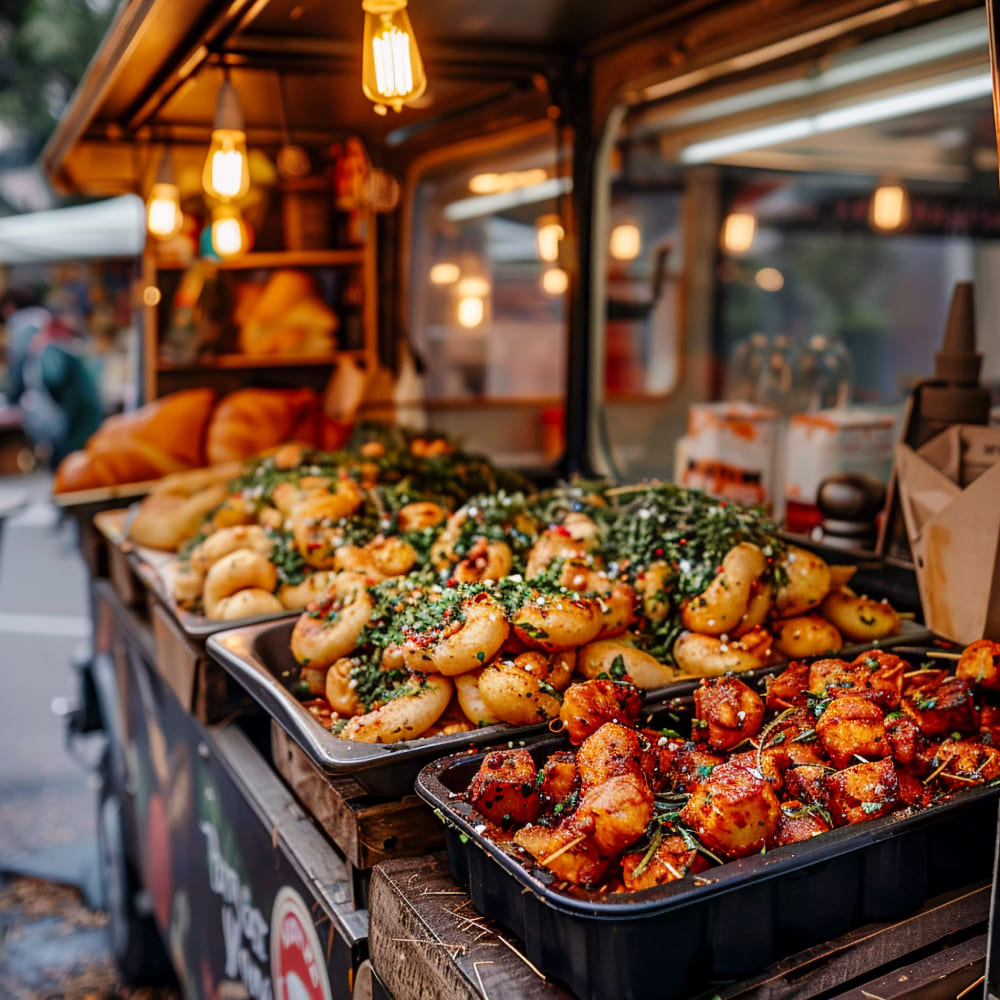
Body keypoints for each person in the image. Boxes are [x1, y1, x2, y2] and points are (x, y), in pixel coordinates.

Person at [1, 287, 104, 467]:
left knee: (74, 464)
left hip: (75, 419)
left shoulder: (39, 340)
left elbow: (51, 377)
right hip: (79, 414)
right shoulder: (50, 333)